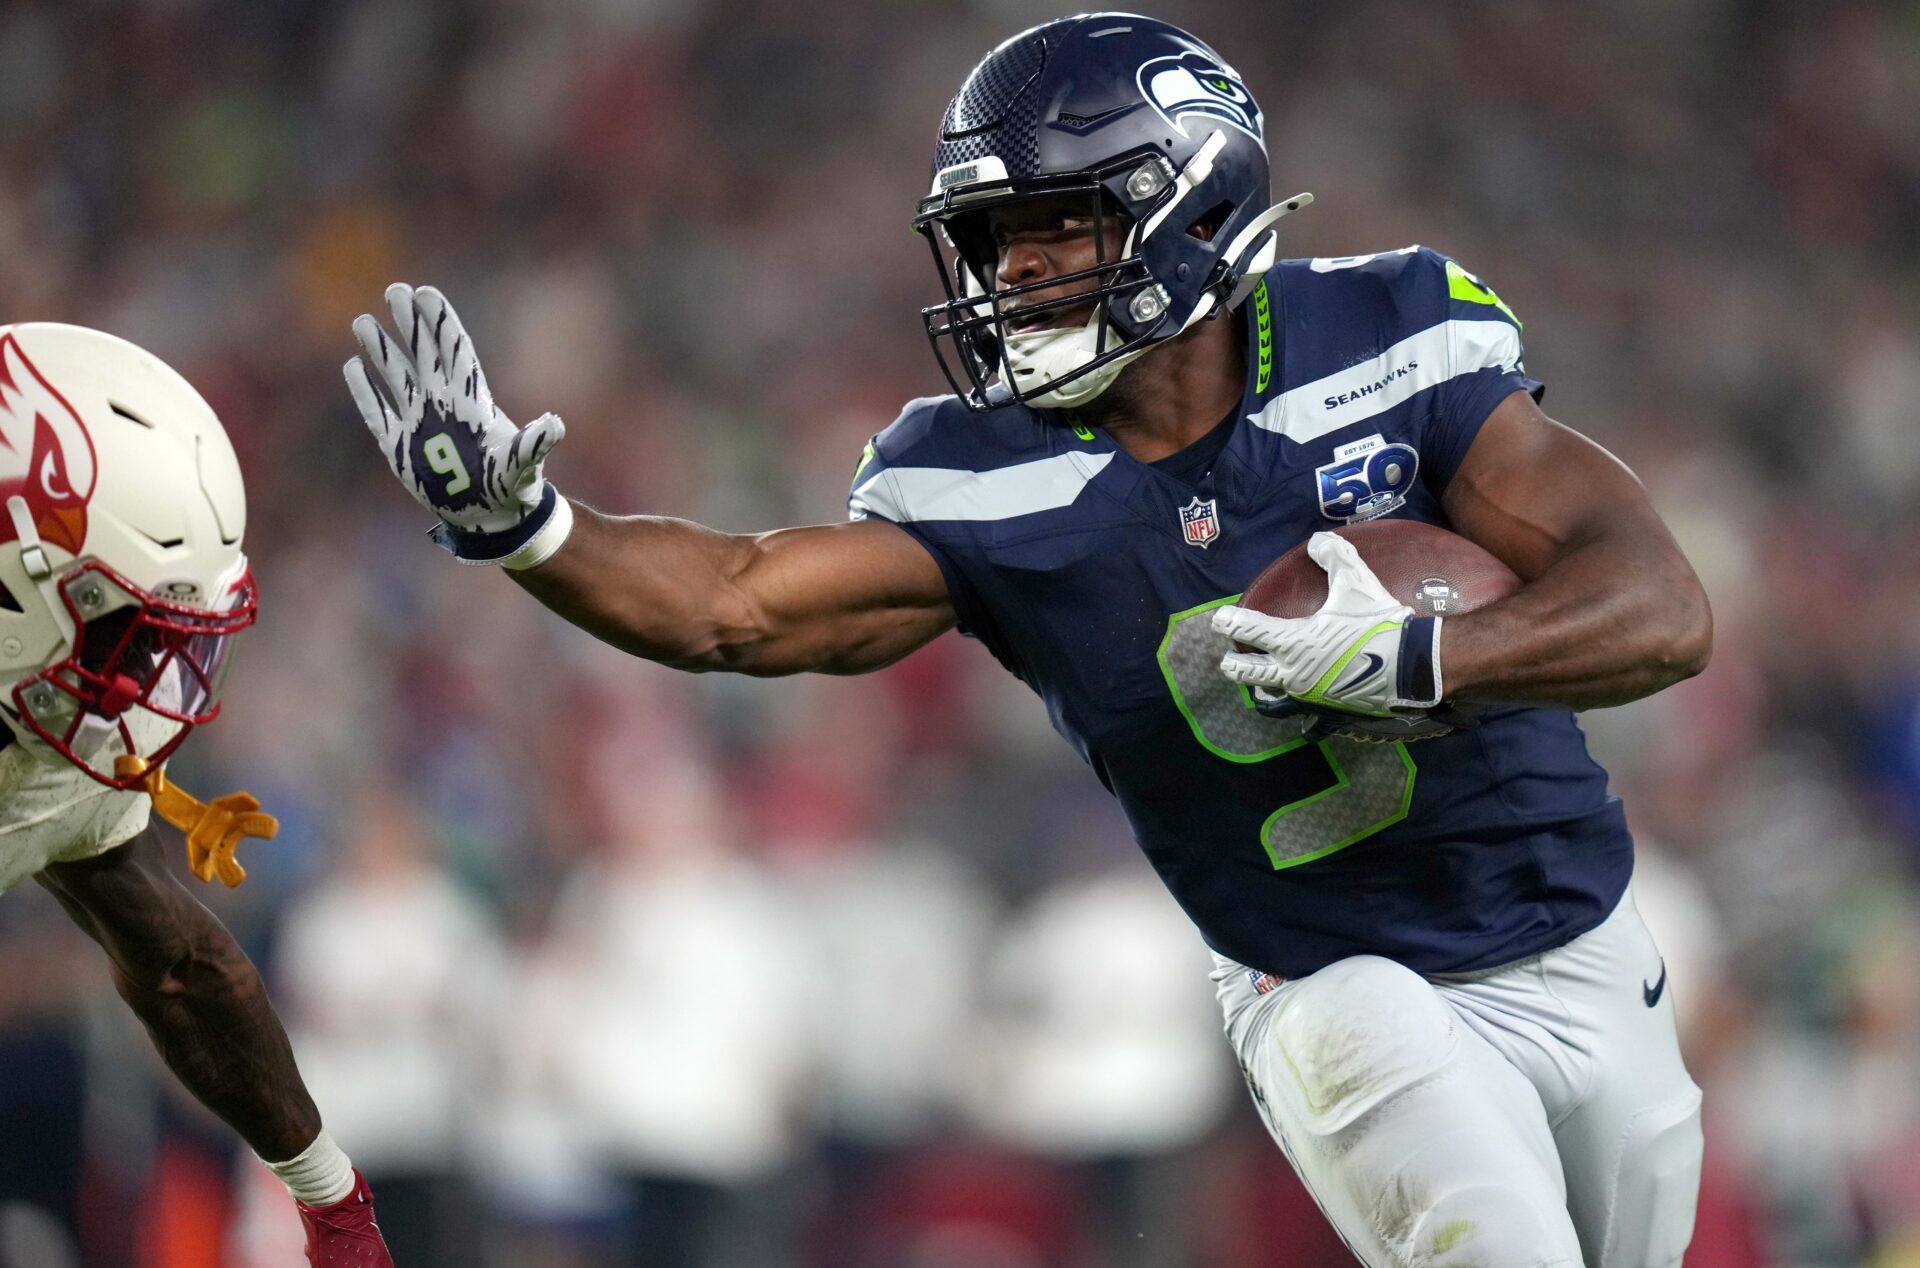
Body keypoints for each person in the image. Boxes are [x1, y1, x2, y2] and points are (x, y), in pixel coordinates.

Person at [343, 13, 1711, 1264]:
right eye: (995, 240)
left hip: (1581, 939)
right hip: (1325, 977)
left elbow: (1661, 606)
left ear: (1194, 203)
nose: (1018, 270)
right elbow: (736, 604)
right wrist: (529, 525)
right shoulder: (979, 475)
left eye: (1060, 224)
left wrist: (1425, 660)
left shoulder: (1386, 332)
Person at [0, 323, 394, 1265]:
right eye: (127, 631)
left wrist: (330, 1198)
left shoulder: (50, 748)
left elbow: (178, 966)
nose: (153, 676)